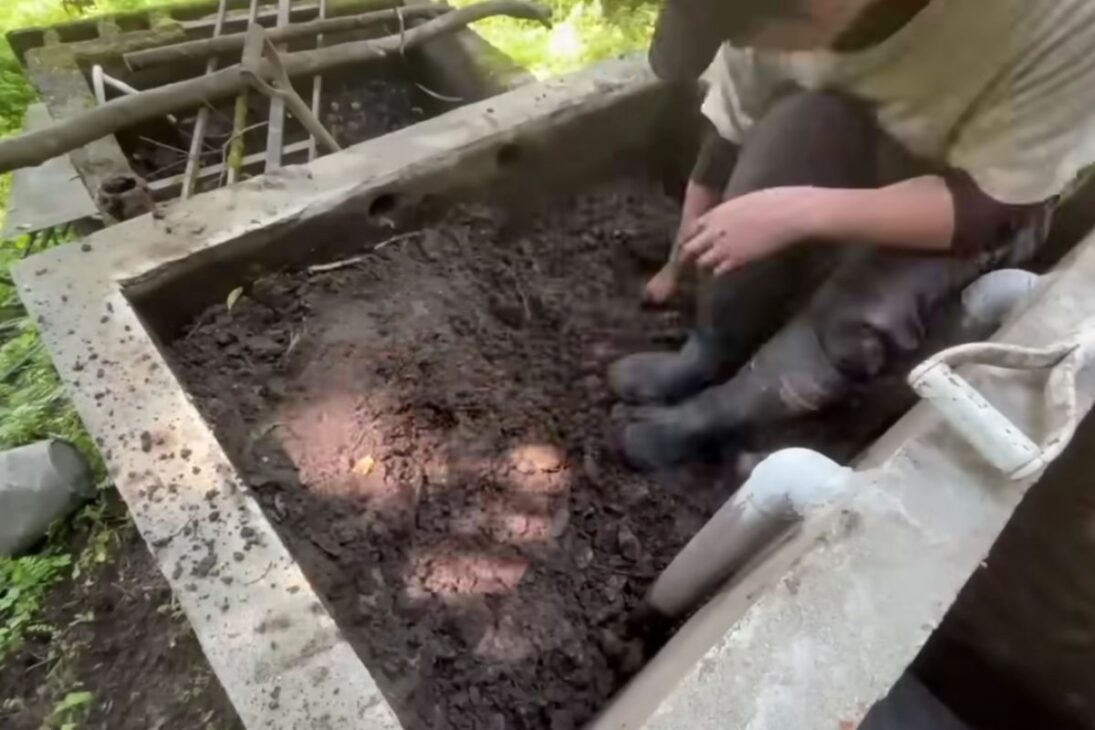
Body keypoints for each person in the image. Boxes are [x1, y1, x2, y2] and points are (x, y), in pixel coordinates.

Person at [610, 0, 1095, 471]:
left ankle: (716, 418)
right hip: (853, 138)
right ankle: (709, 352)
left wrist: (797, 212)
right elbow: (729, 132)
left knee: (867, 310)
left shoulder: (1066, 18)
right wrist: (680, 260)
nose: (740, 44)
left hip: (968, 201)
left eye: (745, 28)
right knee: (800, 123)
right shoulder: (760, 19)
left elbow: (990, 208)